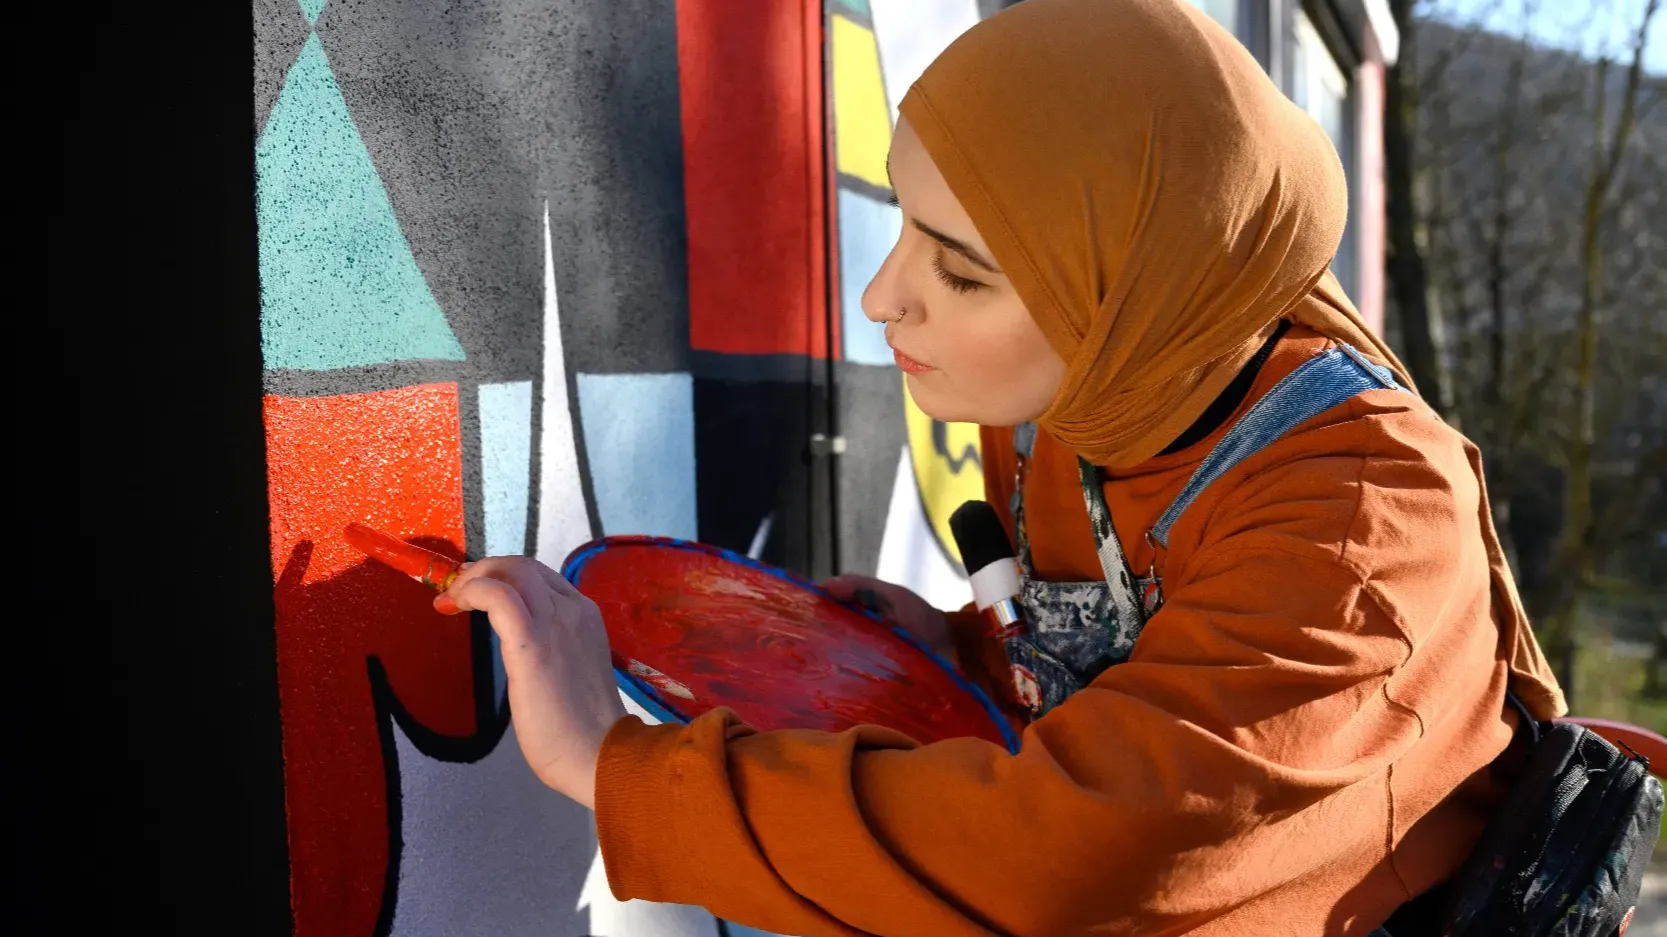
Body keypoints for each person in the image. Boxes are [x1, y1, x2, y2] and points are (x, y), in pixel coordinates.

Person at [429, 0, 1566, 933]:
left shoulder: (1365, 529)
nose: (881, 297)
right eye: (903, 226)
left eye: (962, 273)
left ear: (1135, 292)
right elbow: (1156, 660)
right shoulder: (1095, 391)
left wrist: (614, 763)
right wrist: (961, 647)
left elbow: (1078, 859)